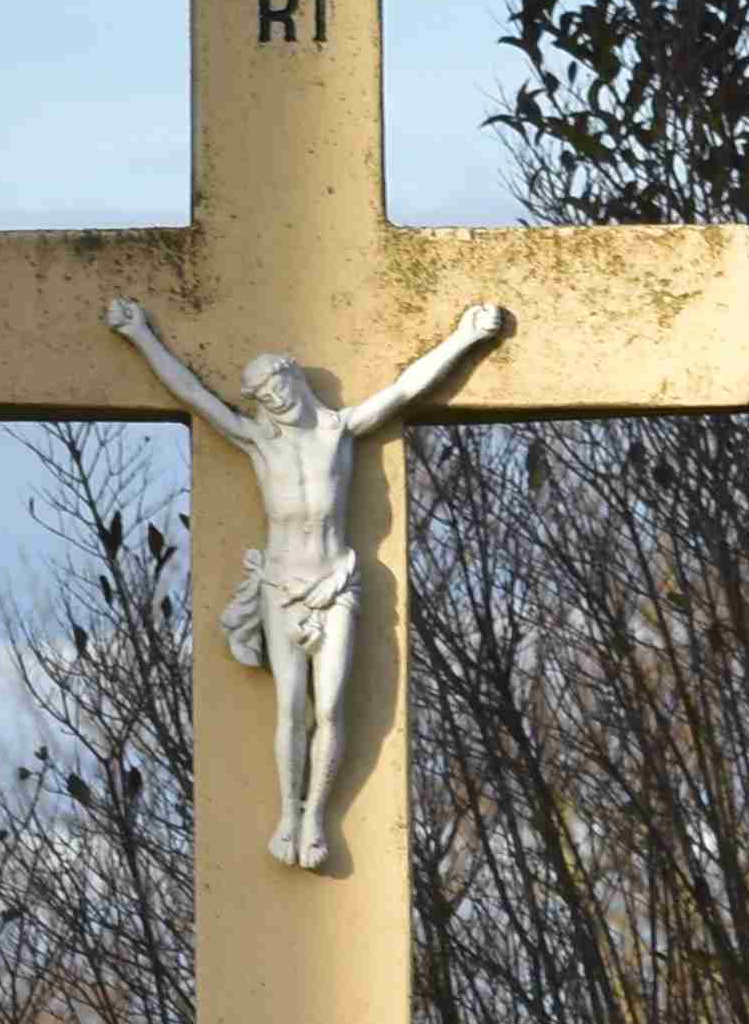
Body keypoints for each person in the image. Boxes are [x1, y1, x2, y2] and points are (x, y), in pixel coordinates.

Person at [104, 294, 511, 869]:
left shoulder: (339, 432)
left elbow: (405, 391)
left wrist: (466, 337)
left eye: (275, 389)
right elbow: (192, 393)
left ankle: (315, 816)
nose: (272, 402)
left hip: (334, 583)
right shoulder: (257, 439)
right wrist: (139, 333)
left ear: (292, 378)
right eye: (262, 397)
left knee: (331, 706)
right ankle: (288, 817)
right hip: (280, 584)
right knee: (291, 707)